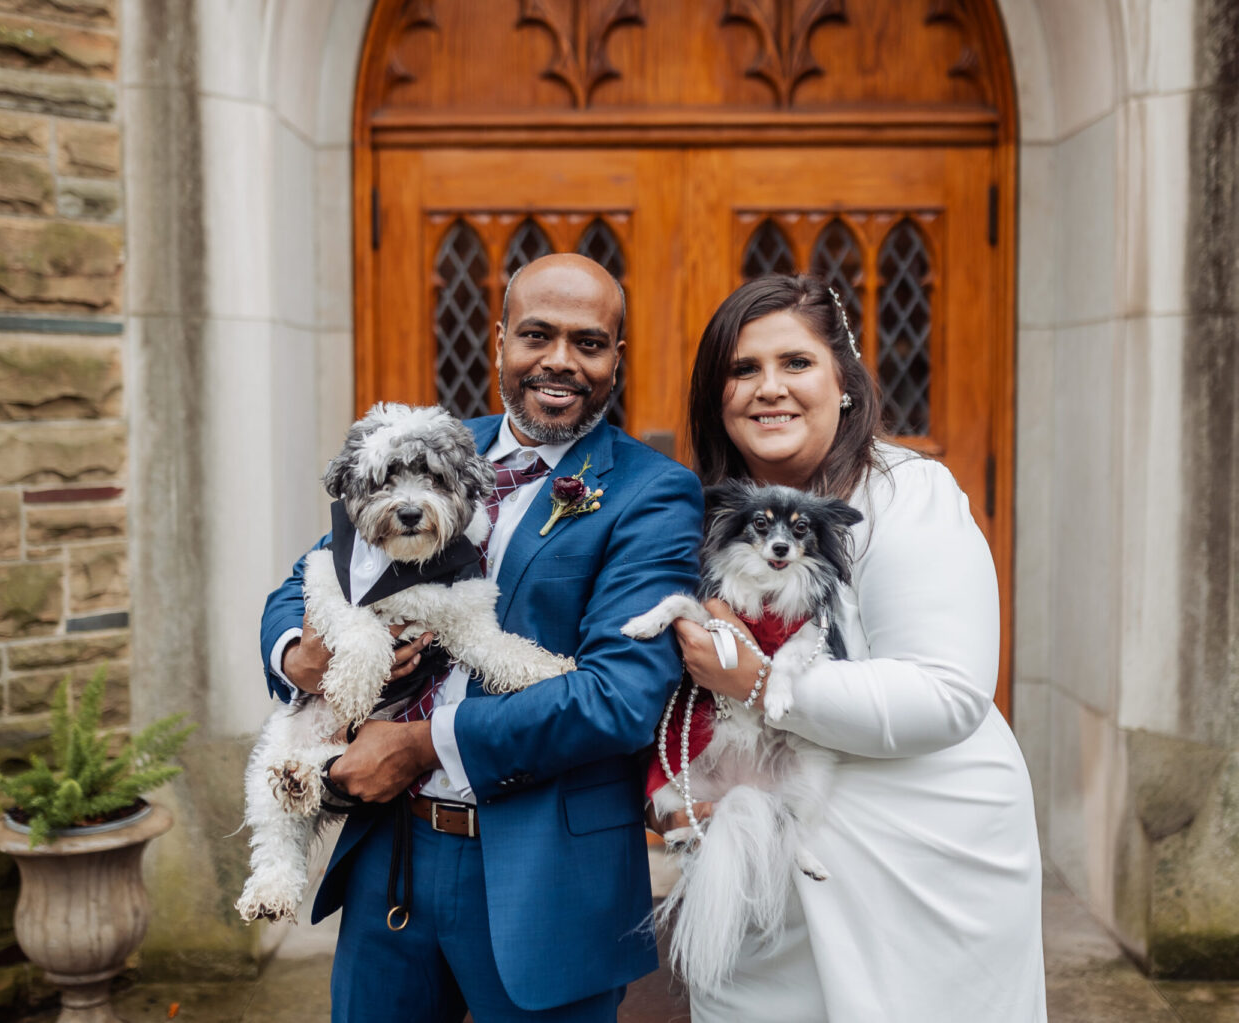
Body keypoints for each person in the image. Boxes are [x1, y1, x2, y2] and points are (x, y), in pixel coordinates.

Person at [258, 254, 703, 1022]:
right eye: (537, 334)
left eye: (588, 342)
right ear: (498, 341)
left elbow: (619, 697)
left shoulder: (653, 492)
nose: (560, 360)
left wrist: (425, 744)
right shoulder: (424, 445)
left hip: (547, 879)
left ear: (616, 358)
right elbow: (307, 576)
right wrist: (300, 656)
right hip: (388, 856)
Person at [663, 273, 1047, 1021]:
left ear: (844, 380)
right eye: (743, 369)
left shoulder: (907, 494)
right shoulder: (703, 518)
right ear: (717, 396)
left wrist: (758, 679)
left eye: (795, 363)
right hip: (767, 888)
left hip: (919, 866)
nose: (768, 388)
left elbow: (946, 693)